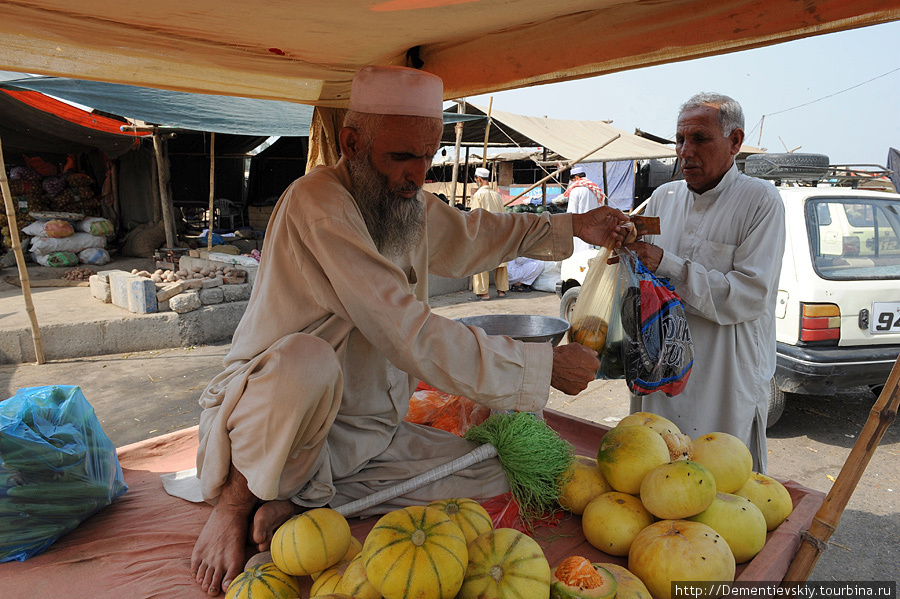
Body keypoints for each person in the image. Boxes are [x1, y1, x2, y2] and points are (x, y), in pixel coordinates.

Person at [186, 65, 630, 596]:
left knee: (490, 473)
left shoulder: (405, 201)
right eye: (401, 157)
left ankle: (302, 496)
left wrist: (571, 226)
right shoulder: (320, 205)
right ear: (351, 143)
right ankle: (238, 501)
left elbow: (473, 234)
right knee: (307, 360)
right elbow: (404, 328)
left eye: (428, 156)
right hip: (278, 418)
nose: (417, 174)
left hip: (361, 435)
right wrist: (540, 364)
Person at [623, 92, 786, 474]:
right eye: (679, 140)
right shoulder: (663, 198)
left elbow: (750, 294)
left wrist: (670, 266)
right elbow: (643, 270)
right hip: (662, 366)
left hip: (723, 375)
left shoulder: (760, 201)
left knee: (721, 482)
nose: (685, 151)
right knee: (657, 472)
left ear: (735, 142)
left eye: (699, 138)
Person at [469, 167, 509, 300]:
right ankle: (501, 290)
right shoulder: (497, 196)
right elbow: (504, 215)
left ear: (479, 179)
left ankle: (483, 292)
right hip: (498, 233)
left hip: (484, 234)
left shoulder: (478, 196)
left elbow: (475, 217)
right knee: (500, 263)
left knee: (481, 263)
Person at [564, 165, 606, 253]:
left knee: (580, 253)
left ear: (576, 177)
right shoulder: (594, 190)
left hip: (580, 229)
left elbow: (571, 213)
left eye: (572, 180)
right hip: (594, 227)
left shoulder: (576, 191)